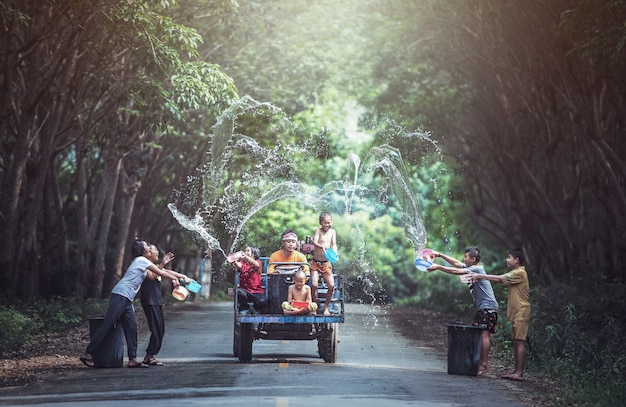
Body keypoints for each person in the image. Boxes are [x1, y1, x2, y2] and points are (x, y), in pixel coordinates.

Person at [80, 239, 191, 368]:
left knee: (132, 328)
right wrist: (176, 279)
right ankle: (88, 353)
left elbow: (154, 276)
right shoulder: (141, 260)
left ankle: (132, 359)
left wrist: (177, 276)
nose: (149, 248)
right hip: (121, 295)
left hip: (128, 299)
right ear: (142, 251)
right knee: (108, 324)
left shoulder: (143, 264)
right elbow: (160, 272)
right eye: (146, 247)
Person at [428, 247, 498, 376]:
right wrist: (439, 254)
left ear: (473, 259)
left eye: (466, 257)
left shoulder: (476, 269)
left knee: (484, 334)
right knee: (481, 334)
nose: (463, 259)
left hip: (487, 307)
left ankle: (484, 365)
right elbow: (456, 264)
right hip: (483, 307)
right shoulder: (472, 267)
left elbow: (456, 271)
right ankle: (481, 364)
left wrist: (438, 267)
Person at [468, 248, 530, 381]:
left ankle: (518, 373)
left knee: (519, 341)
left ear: (516, 260)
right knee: (516, 341)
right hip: (516, 312)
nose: (507, 260)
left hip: (521, 311)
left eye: (509, 258)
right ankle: (516, 372)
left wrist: (480, 276)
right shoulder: (515, 272)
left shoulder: (520, 273)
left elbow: (498, 279)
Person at [140, 244, 187, 367]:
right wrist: (162, 263)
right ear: (149, 253)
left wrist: (183, 277)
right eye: (155, 250)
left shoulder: (155, 266)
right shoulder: (144, 265)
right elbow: (154, 275)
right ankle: (148, 356)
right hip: (150, 301)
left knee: (160, 329)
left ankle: (150, 356)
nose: (157, 252)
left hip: (156, 301)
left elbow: (166, 272)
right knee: (156, 330)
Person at [310, 212, 337, 315]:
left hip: (326, 264)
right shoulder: (318, 230)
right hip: (316, 263)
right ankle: (314, 305)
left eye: (329, 223)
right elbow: (314, 242)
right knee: (314, 284)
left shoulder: (333, 232)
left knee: (331, 285)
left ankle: (326, 307)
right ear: (321, 223)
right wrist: (322, 247)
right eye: (325, 223)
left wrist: (335, 252)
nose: (327, 225)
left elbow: (334, 244)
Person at [229, 246, 265, 314]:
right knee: (237, 291)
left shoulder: (258, 262)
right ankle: (244, 309)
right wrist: (233, 260)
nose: (246, 252)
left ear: (254, 254)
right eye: (245, 251)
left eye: (248, 251)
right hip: (245, 291)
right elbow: (238, 266)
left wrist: (245, 256)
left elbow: (255, 264)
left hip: (256, 291)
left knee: (263, 302)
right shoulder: (243, 263)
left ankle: (255, 310)